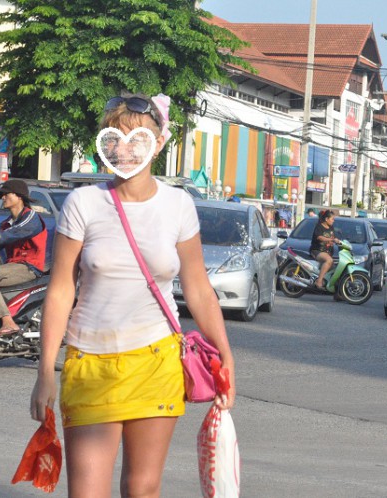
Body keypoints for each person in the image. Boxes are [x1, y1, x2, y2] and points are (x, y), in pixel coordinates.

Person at [29, 92, 236, 497]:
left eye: (138, 138)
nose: (125, 149)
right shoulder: (83, 203)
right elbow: (60, 291)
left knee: (142, 488)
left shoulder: (178, 205)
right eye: (115, 139)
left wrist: (224, 352)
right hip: (89, 363)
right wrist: (43, 373)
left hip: (156, 362)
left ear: (159, 144)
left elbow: (197, 287)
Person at [0, 179, 47, 336]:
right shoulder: (6, 223)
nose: (3, 198)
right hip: (12, 265)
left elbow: (9, 235)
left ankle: (8, 322)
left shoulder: (30, 218)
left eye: (6, 194)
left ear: (19, 196)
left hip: (28, 266)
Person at [309, 209, 339, 290]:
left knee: (336, 272)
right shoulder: (319, 226)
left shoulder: (331, 227)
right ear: (326, 219)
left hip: (327, 252)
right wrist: (331, 240)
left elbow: (333, 237)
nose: (333, 221)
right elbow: (319, 237)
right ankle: (319, 280)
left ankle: (337, 293)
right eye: (332, 219)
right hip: (317, 250)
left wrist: (338, 241)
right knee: (329, 260)